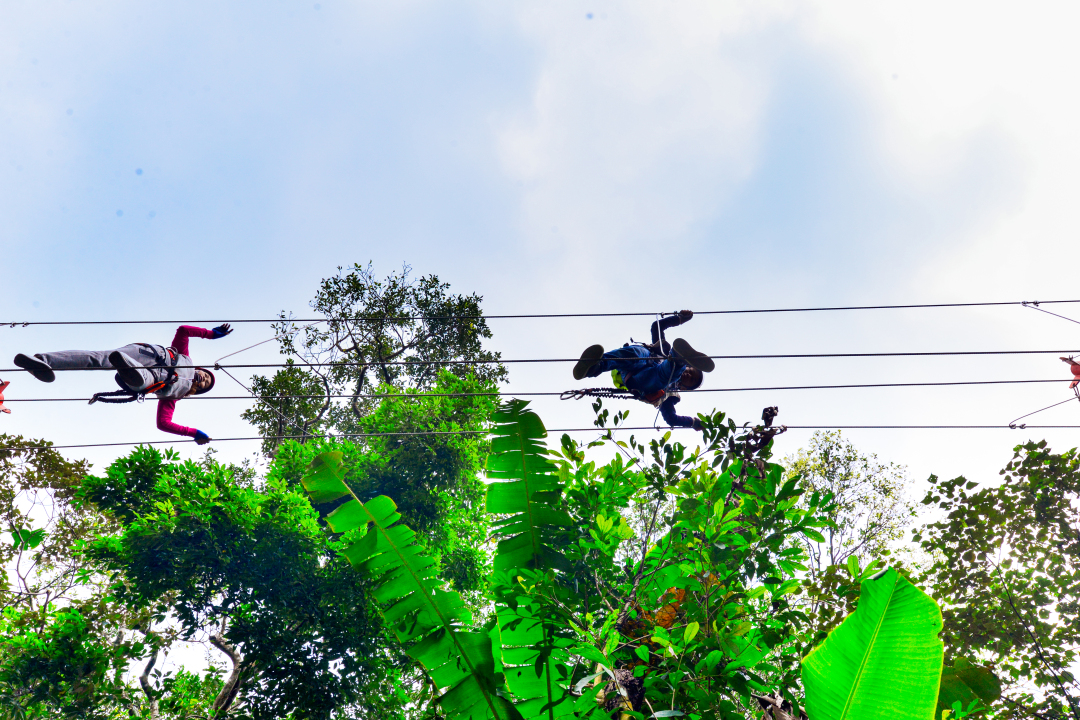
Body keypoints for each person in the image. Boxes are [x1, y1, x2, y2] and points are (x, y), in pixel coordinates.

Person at [14, 324, 233, 444]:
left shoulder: (174, 397)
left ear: (197, 391)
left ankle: (128, 368)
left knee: (143, 382)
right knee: (99, 358)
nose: (204, 379)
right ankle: (41, 361)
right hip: (147, 354)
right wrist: (210, 334)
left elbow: (163, 424)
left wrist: (193, 432)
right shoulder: (185, 356)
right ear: (201, 369)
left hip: (149, 378)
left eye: (205, 385)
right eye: (206, 376)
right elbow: (183, 330)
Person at [572, 310, 714, 429]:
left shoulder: (670, 396)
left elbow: (671, 419)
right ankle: (593, 367)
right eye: (691, 371)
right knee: (634, 353)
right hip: (643, 360)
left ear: (685, 388)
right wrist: (680, 318)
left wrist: (694, 422)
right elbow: (657, 326)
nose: (689, 374)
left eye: (692, 379)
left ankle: (679, 359)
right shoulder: (661, 352)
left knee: (664, 374)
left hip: (640, 380)